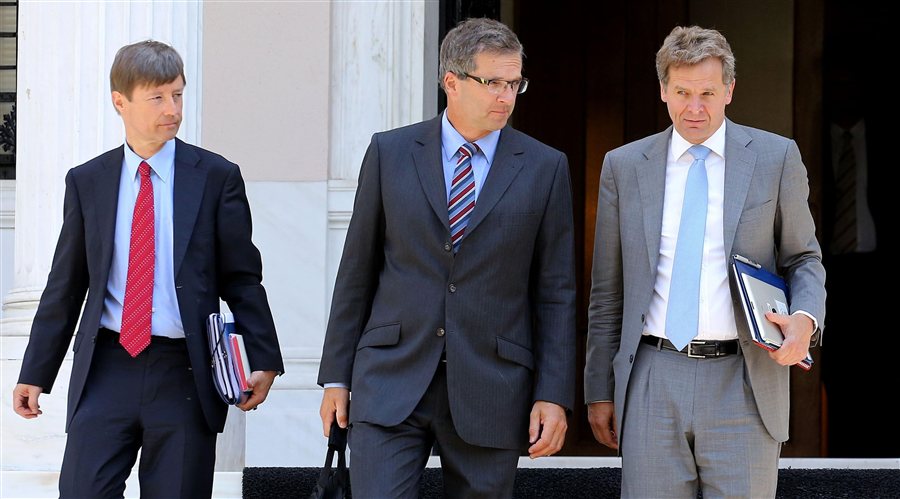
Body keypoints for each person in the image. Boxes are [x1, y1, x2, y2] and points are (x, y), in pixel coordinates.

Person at [12, 40, 284, 498]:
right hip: (106, 366)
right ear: (120, 101)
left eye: (177, 94)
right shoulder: (88, 181)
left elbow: (241, 276)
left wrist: (264, 358)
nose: (172, 109)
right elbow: (66, 284)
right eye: (157, 97)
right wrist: (36, 370)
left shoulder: (216, 177)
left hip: (185, 370)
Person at [318, 17, 576, 498]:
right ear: (451, 82)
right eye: (493, 82)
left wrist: (553, 394)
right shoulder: (390, 152)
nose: (506, 96)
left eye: (514, 83)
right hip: (390, 377)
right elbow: (357, 269)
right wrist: (336, 376)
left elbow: (555, 292)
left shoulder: (545, 166)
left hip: (492, 384)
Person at [585, 26, 826, 497]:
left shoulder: (775, 157)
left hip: (744, 378)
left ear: (729, 90)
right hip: (651, 375)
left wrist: (805, 319)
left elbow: (804, 257)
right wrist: (599, 389)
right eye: (682, 93)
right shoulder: (624, 166)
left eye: (708, 94)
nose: (694, 108)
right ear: (663, 90)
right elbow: (607, 292)